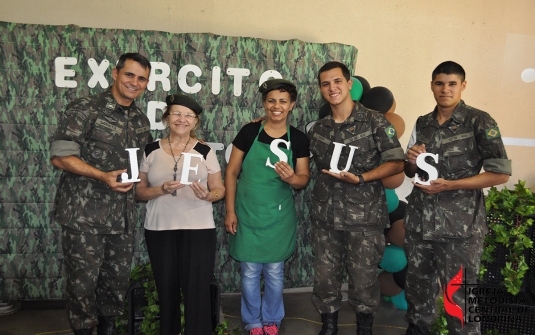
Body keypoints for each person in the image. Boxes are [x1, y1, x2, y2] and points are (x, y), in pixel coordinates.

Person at [403, 61, 511, 335]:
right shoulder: (422, 123)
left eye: (452, 84)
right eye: (439, 83)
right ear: (432, 86)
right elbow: (409, 171)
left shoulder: (480, 121)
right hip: (420, 226)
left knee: (459, 302)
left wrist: (451, 185)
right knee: (417, 295)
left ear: (463, 85)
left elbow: (500, 174)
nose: (445, 89)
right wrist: (412, 160)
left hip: (459, 230)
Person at [50, 53, 152, 335]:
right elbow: (60, 157)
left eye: (141, 78)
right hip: (84, 218)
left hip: (122, 219)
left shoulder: (141, 120)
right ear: (116, 74)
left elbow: (147, 162)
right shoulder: (86, 108)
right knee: (82, 287)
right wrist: (102, 176)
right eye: (129, 75)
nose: (134, 82)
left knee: (115, 287)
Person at [308, 61, 405, 335]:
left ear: (349, 84)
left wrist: (363, 178)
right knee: (325, 279)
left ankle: (364, 329)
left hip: (364, 221)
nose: (332, 88)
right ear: (321, 89)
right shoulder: (319, 129)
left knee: (364, 282)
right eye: (325, 83)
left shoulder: (375, 122)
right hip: (326, 219)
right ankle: (329, 327)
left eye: (337, 81)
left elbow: (397, 163)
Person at [225, 79, 310, 335]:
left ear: (292, 105)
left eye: (283, 101)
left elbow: (303, 179)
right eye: (271, 100)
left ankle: (272, 319)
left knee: (274, 272)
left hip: (279, 217)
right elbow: (231, 172)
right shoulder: (249, 132)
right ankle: (252, 321)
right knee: (249, 272)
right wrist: (229, 210)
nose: (277, 106)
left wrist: (291, 178)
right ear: (264, 103)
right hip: (247, 212)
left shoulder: (298, 138)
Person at [135, 94, 225, 335]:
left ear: (195, 122)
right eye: (176, 113)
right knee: (166, 291)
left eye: (188, 115)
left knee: (197, 291)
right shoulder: (151, 150)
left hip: (198, 229)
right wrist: (160, 189)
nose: (181, 119)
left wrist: (209, 196)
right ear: (166, 118)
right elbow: (139, 192)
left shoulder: (205, 150)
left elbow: (220, 189)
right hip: (159, 229)